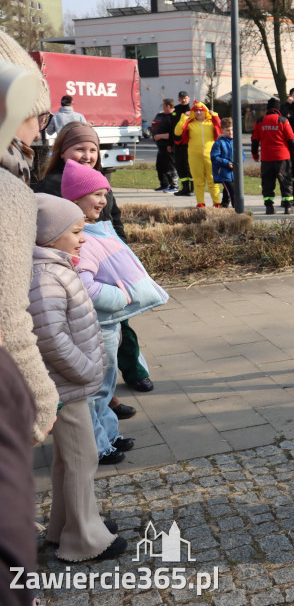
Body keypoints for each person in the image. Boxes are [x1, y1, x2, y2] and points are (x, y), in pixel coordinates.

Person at [28, 194, 129, 563]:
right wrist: (87, 369)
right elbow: (51, 338)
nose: (82, 238)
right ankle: (84, 539)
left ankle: (65, 527)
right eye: (75, 231)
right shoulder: (45, 276)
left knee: (68, 460)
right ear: (48, 235)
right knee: (82, 458)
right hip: (65, 384)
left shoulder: (54, 268)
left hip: (68, 382)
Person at [0, 34, 60, 606]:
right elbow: (6, 318)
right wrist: (41, 398)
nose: (40, 132)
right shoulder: (7, 192)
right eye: (36, 117)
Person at [34, 122, 154, 398]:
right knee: (93, 333)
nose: (87, 155)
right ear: (62, 152)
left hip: (107, 261)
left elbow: (115, 219)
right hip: (77, 265)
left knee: (121, 323)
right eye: (79, 149)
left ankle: (134, 372)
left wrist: (121, 251)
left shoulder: (98, 180)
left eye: (92, 149)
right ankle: (103, 400)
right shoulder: (50, 186)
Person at [61, 162, 168, 464]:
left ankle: (108, 434)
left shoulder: (90, 229)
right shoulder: (79, 237)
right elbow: (85, 287)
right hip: (95, 327)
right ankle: (97, 445)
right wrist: (120, 297)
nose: (103, 200)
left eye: (104, 194)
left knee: (105, 388)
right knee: (96, 391)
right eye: (95, 194)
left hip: (108, 324)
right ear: (75, 199)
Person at [252, 97, 294, 215]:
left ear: (268, 108)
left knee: (267, 183)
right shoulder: (283, 120)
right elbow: (291, 139)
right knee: (286, 183)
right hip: (282, 157)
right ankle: (288, 208)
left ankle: (269, 207)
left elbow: (254, 140)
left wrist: (255, 154)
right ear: (278, 109)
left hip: (266, 158)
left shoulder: (259, 121)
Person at [174, 101, 222, 207]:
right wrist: (183, 117)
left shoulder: (211, 123)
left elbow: (220, 127)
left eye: (201, 110)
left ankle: (217, 202)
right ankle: (200, 203)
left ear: (205, 111)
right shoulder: (190, 124)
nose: (199, 113)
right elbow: (177, 132)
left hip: (211, 156)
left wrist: (214, 115)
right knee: (198, 180)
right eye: (196, 111)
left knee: (213, 179)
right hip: (194, 156)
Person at [151, 98, 179, 192]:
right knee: (160, 166)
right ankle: (164, 184)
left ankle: (174, 186)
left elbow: (173, 133)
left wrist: (160, 136)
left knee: (170, 167)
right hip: (161, 147)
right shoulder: (163, 115)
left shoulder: (174, 116)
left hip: (169, 146)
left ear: (168, 106)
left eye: (163, 105)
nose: (162, 107)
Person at [210, 117, 236, 209]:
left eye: (232, 129)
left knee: (227, 192)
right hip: (224, 172)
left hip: (234, 172)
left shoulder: (236, 141)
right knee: (233, 192)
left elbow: (242, 155)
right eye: (228, 130)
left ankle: (224, 206)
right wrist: (226, 163)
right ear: (222, 130)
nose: (231, 132)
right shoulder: (219, 143)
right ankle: (236, 210)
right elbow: (214, 157)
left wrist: (238, 162)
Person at [172, 92, 194, 197]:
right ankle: (185, 187)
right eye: (181, 98)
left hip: (188, 142)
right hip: (177, 142)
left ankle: (192, 188)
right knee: (180, 165)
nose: (183, 100)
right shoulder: (175, 110)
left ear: (188, 98)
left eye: (185, 98)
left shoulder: (193, 110)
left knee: (189, 165)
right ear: (179, 99)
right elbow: (172, 125)